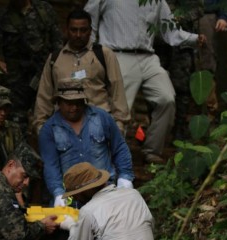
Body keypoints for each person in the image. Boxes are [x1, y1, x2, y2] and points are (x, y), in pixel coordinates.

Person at [84, 0, 206, 164]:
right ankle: (110, 159)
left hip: (148, 57)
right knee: (120, 109)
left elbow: (170, 31)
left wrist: (194, 39)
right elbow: (87, 23)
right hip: (117, 54)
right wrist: (90, 53)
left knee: (167, 98)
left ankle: (152, 150)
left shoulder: (156, 1)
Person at [38, 79, 134, 207]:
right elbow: (51, 166)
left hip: (105, 190)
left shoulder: (101, 117)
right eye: (68, 103)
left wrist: (125, 176)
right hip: (73, 196)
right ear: (58, 103)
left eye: (78, 102)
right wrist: (58, 193)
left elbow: (120, 147)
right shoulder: (49, 129)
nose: (74, 107)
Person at [33, 9, 129, 135]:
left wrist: (119, 126)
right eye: (74, 30)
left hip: (99, 125)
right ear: (66, 30)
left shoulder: (104, 55)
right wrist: (41, 128)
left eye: (83, 30)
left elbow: (118, 92)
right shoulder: (54, 59)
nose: (78, 35)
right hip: (64, 128)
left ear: (90, 31)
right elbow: (44, 96)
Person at [0, 0, 63, 134]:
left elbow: (57, 40)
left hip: (42, 74)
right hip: (15, 79)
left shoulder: (44, 10)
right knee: (16, 121)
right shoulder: (1, 16)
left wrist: (55, 64)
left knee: (45, 117)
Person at [196, 0, 227, 114]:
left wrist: (224, 16)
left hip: (207, 14)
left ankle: (208, 109)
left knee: (207, 62)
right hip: (182, 15)